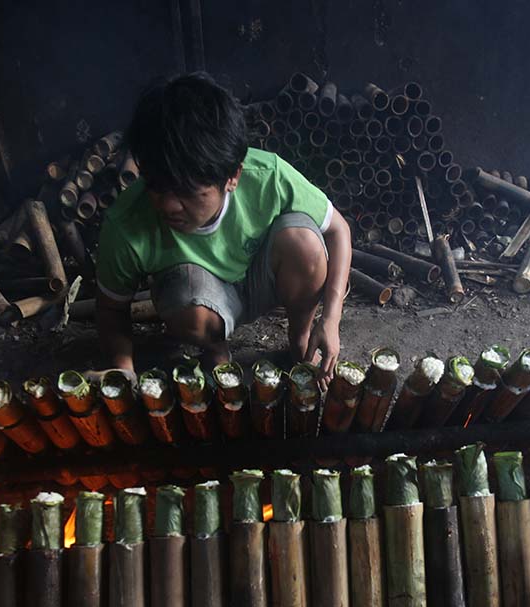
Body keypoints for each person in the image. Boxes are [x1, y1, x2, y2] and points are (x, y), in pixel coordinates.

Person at [95, 72, 350, 385]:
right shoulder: (126, 223)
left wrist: (331, 318)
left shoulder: (267, 176)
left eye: (187, 191)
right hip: (197, 297)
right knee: (188, 306)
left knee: (305, 244)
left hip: (261, 279)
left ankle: (301, 338)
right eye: (157, 187)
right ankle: (215, 348)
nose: (169, 205)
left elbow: (338, 231)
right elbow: (111, 309)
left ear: (233, 177)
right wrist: (124, 366)